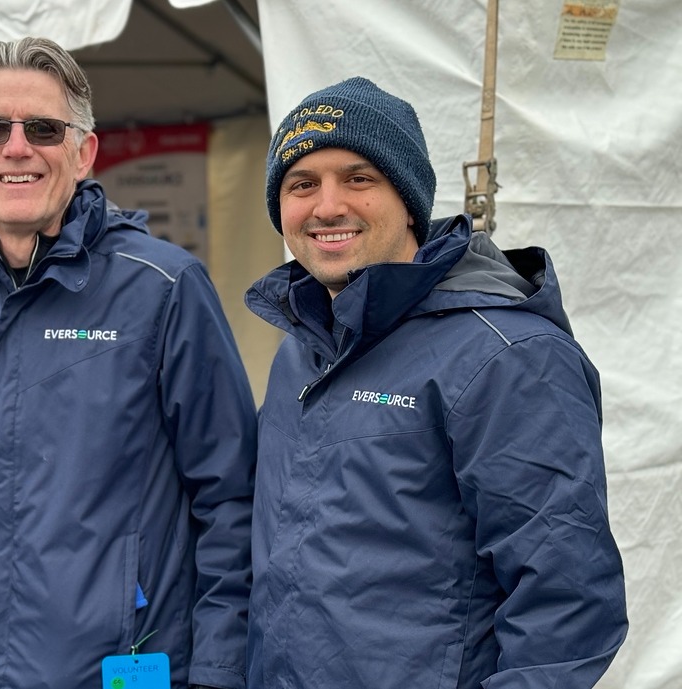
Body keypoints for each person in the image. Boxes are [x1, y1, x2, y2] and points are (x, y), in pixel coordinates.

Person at [0, 37, 257, 689]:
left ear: (85, 152)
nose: (18, 147)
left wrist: (219, 670)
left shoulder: (163, 288)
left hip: (118, 673)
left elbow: (230, 497)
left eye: (45, 129)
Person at [245, 76, 628, 688]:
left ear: (408, 197)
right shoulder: (303, 348)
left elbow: (569, 602)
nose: (327, 205)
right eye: (302, 184)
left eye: (359, 178)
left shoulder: (507, 354)